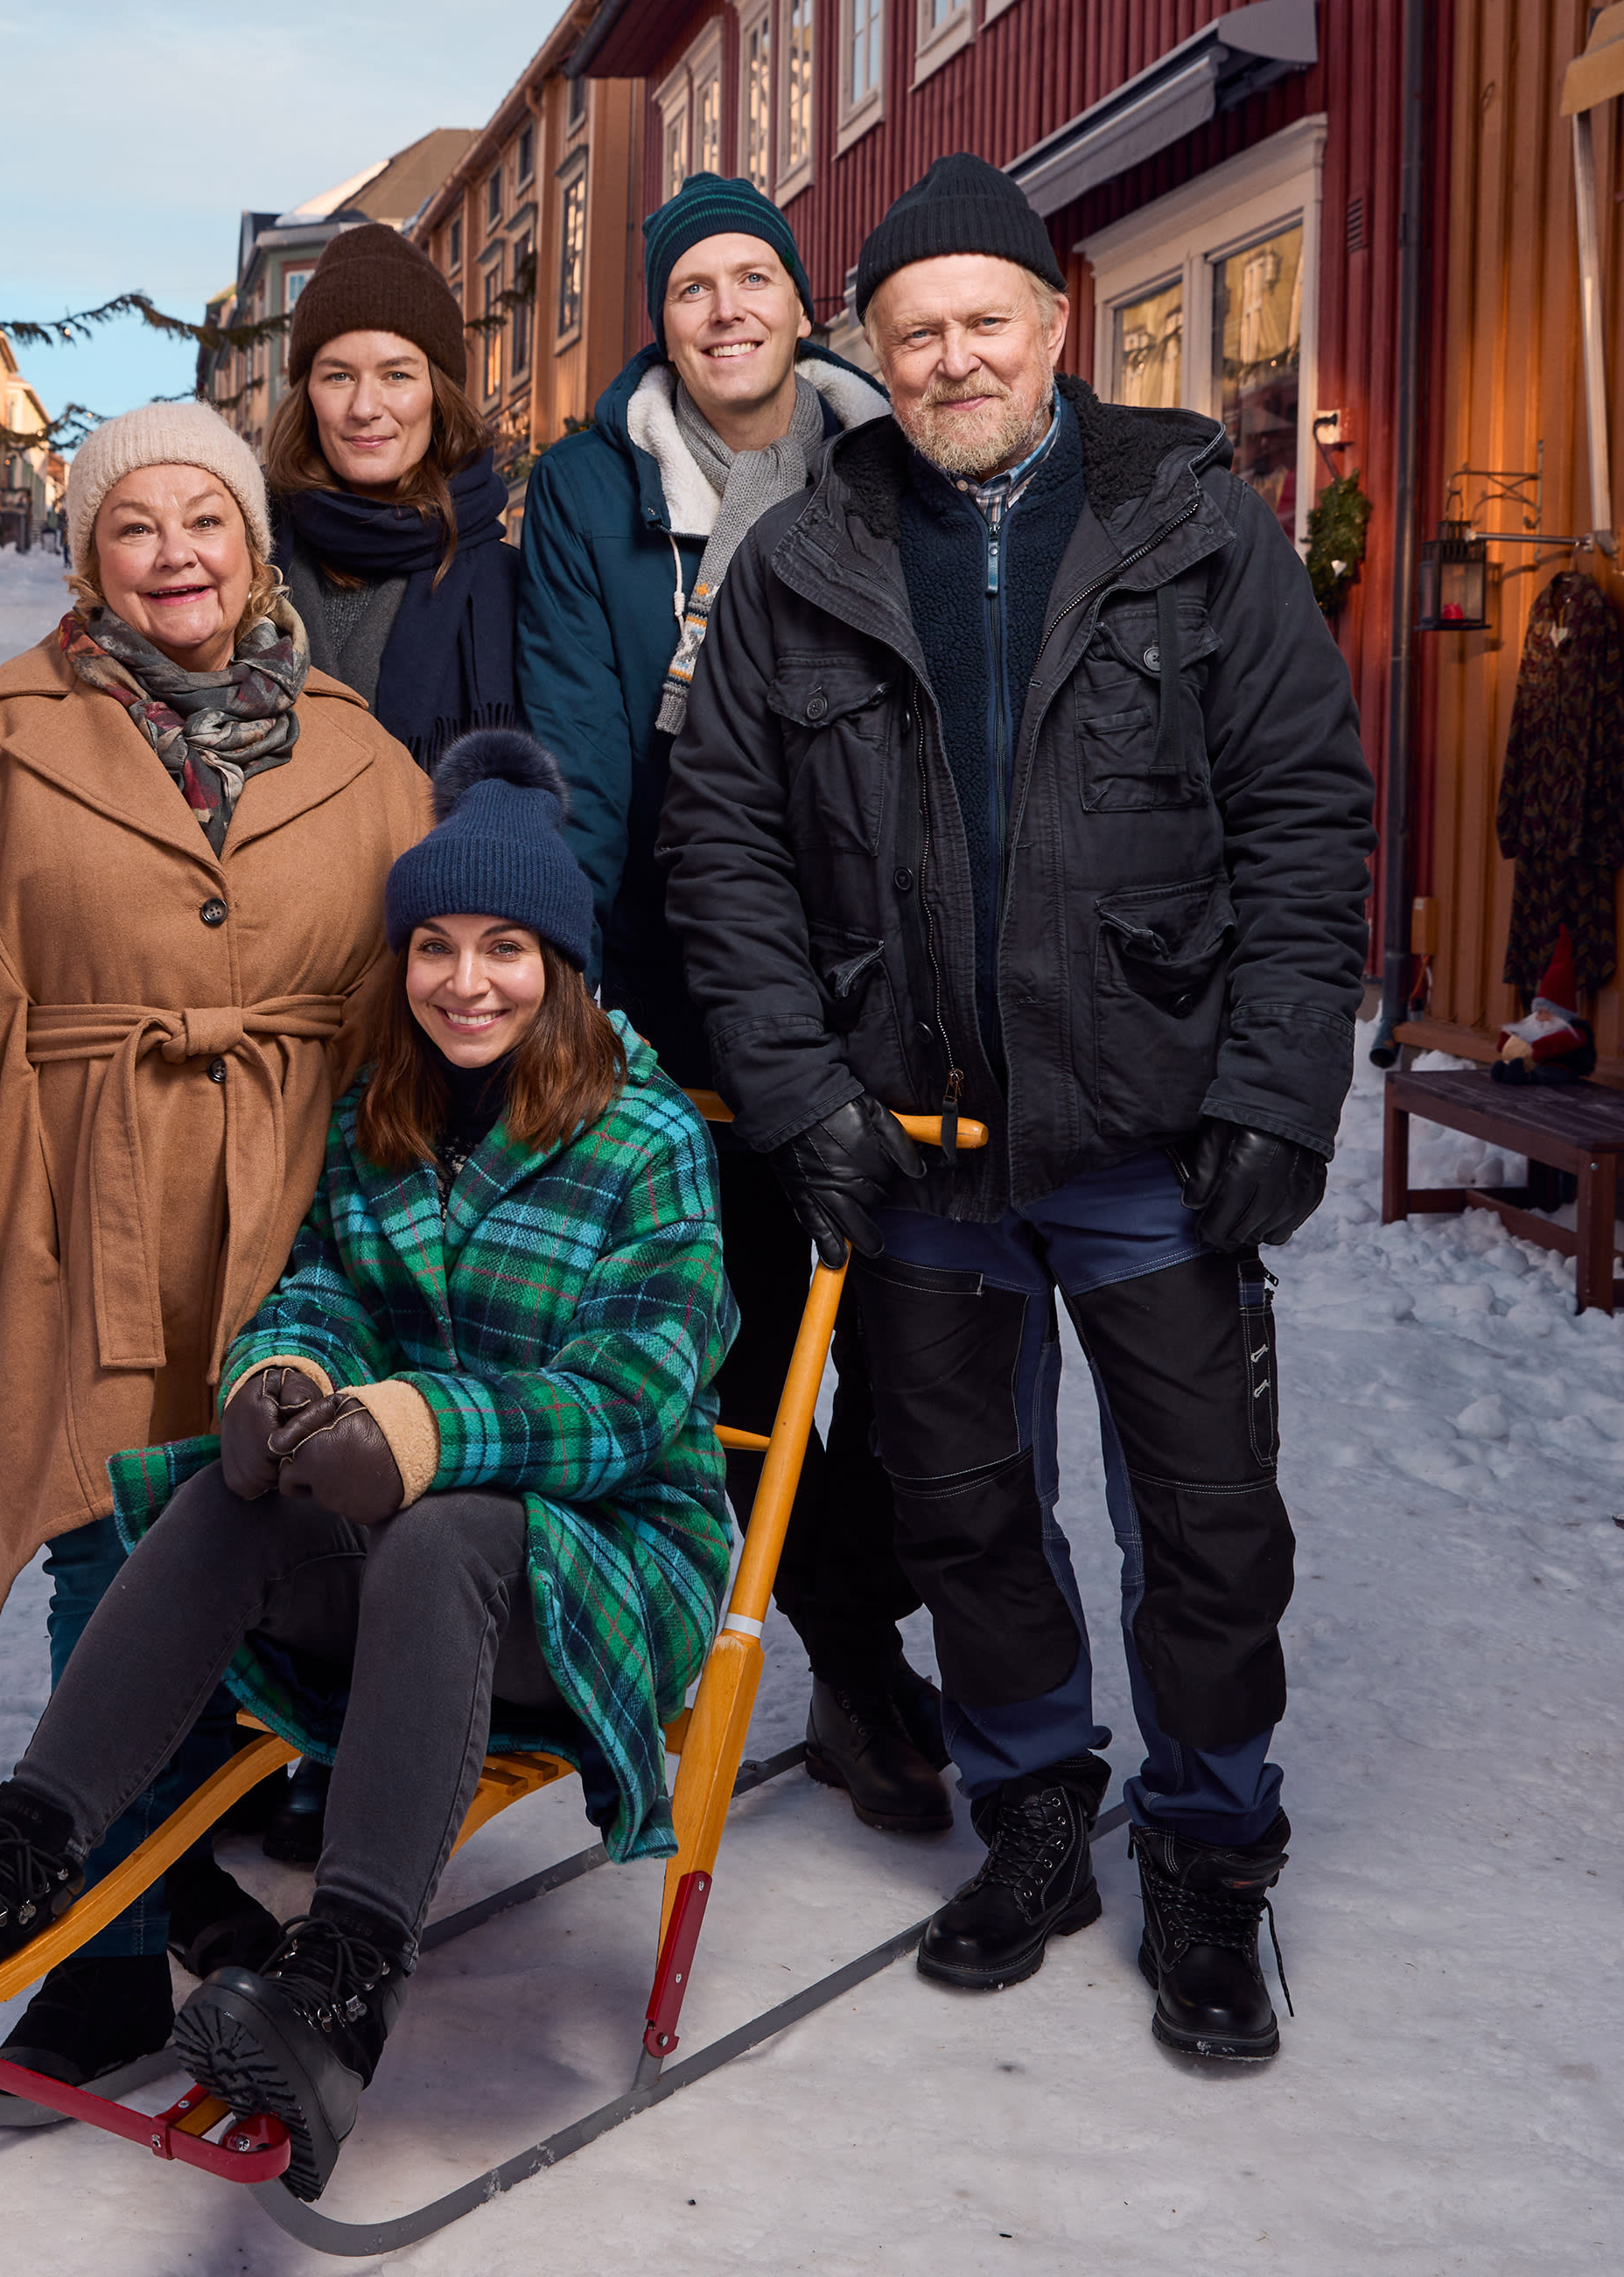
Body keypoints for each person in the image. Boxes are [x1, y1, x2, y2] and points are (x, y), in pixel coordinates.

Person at [660, 156, 1373, 2064]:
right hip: (918, 1148)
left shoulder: (1189, 527)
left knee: (1205, 1520)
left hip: (1151, 1139)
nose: (952, 358)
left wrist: (1277, 1093)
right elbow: (718, 846)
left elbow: (1303, 816)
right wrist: (797, 1091)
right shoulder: (800, 560)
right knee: (963, 1510)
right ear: (870, 354)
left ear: (1057, 327)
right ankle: (1035, 1805)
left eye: (986, 320)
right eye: (914, 333)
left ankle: (1207, 1852)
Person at [0, 730, 736, 2201]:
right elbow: (313, 1287)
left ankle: (342, 1987)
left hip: (600, 1569)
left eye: (504, 947)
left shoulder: (644, 1134)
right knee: (228, 1487)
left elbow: (631, 1397)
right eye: (433, 945)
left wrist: (423, 1431)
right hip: (413, 1554)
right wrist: (281, 1379)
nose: (465, 981)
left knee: (441, 1534)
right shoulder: (382, 1108)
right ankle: (14, 1872)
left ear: (560, 963)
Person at [0, 403, 434, 2098]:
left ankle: (180, 1863)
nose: (172, 555)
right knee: (100, 1535)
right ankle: (111, 1952)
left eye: (204, 520)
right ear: (87, 560)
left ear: (252, 548)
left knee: (253, 1529)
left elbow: (443, 998)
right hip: (77, 1191)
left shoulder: (365, 758)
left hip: (302, 1198)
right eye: (132, 527)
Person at [520, 172, 947, 1836]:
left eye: (750, 277)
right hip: (683, 974)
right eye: (690, 285)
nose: (723, 311)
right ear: (661, 318)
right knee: (749, 1342)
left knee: (920, 1348)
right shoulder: (596, 484)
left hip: (889, 975)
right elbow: (576, 736)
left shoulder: (883, 457)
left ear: (798, 298)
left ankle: (875, 1619)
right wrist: (571, 983)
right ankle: (853, 1660)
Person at [264, 221, 522, 768]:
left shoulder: (509, 585)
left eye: (396, 375)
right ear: (308, 395)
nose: (365, 407)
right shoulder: (246, 553)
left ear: (438, 393)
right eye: (338, 376)